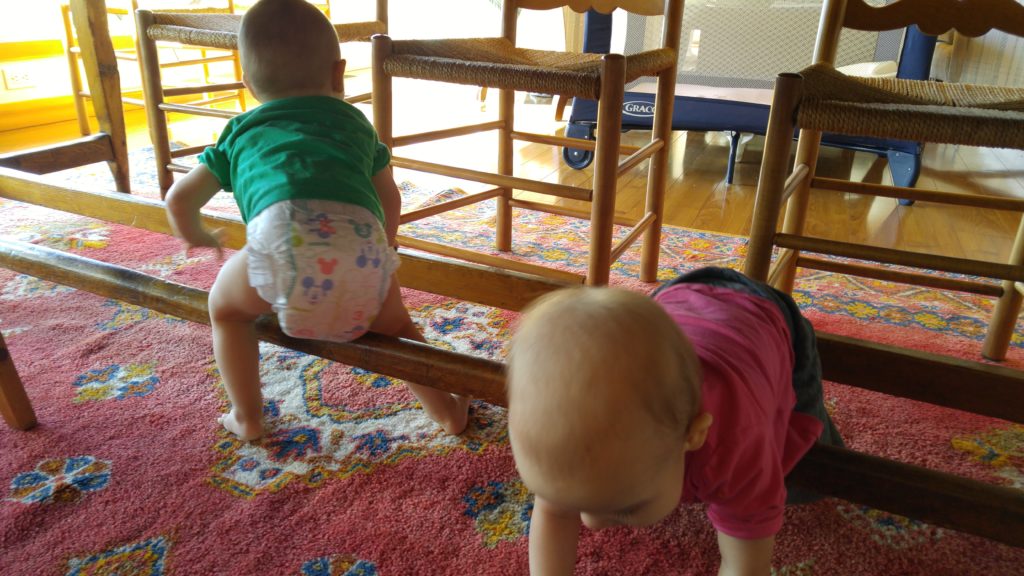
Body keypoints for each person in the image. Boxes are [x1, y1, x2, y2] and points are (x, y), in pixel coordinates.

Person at [164, 0, 468, 441]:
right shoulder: (355, 125)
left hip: (280, 247)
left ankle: (247, 416)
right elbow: (389, 195)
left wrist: (197, 234)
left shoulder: (240, 130)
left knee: (226, 311)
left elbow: (179, 198)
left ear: (248, 84)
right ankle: (447, 413)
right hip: (360, 248)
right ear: (338, 73)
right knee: (400, 329)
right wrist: (385, 245)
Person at [506, 267, 843, 575]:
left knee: (803, 471)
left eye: (626, 509)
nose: (591, 524)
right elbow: (552, 512)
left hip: (769, 317)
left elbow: (747, 566)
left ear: (693, 435)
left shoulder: (738, 447)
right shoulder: (567, 449)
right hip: (672, 300)